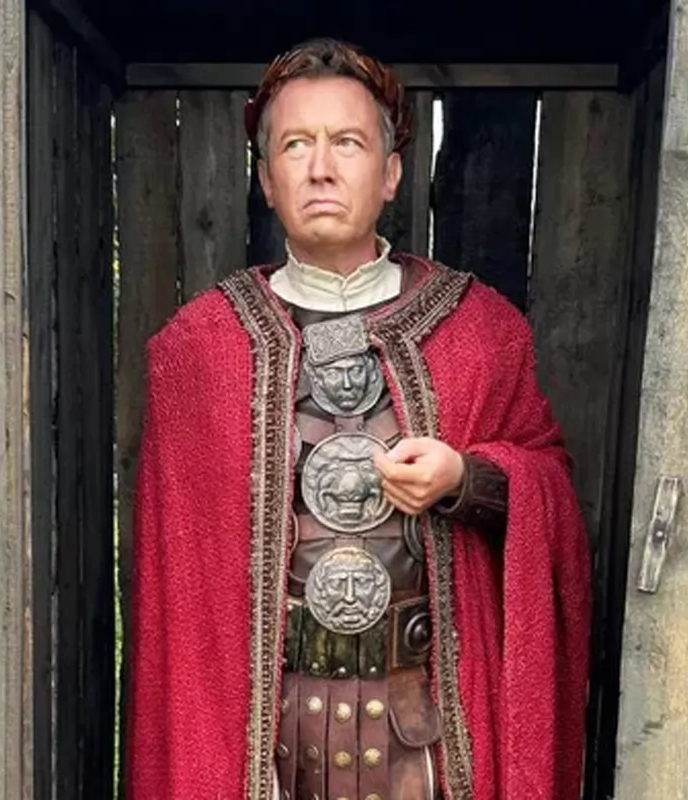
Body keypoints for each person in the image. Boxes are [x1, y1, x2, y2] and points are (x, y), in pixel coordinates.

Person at [124, 37, 592, 799]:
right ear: (266, 179)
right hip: (266, 748)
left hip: (429, 742)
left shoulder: (478, 330)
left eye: (346, 142)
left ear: (391, 172)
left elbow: (552, 498)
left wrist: (465, 478)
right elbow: (179, 608)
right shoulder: (199, 350)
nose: (320, 167)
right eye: (295, 145)